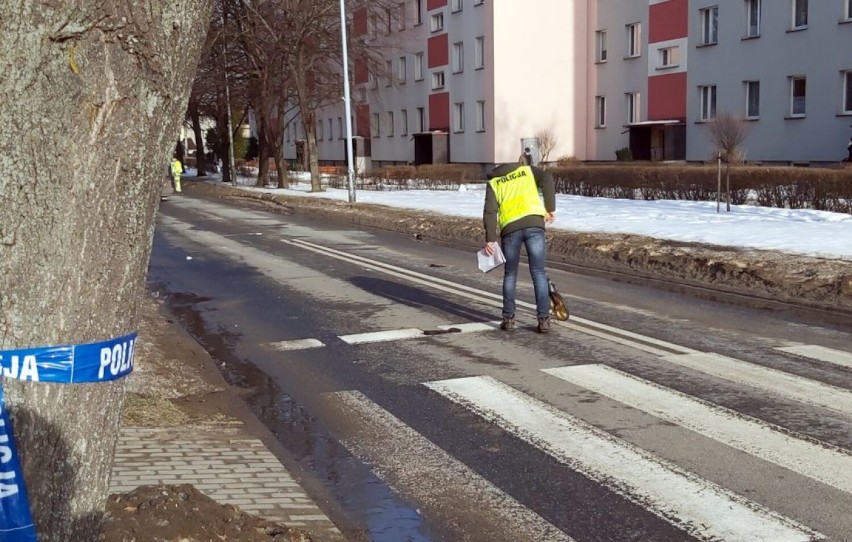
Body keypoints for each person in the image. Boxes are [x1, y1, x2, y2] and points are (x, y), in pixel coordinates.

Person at [482, 160, 556, 333]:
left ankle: (508, 319)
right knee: (538, 272)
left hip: (510, 230)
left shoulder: (494, 182)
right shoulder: (526, 171)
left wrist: (490, 238)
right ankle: (544, 320)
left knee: (510, 274)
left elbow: (490, 211)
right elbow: (547, 177)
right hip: (534, 224)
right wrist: (550, 208)